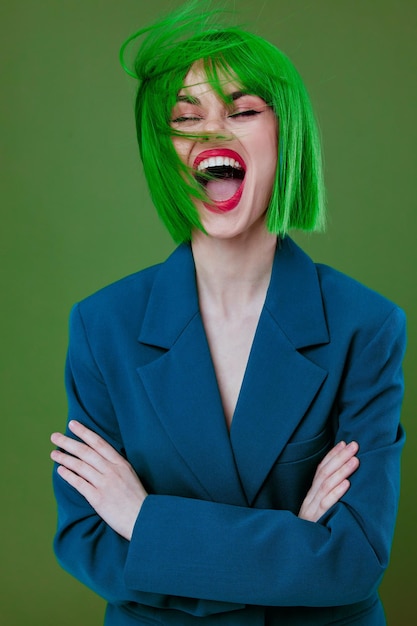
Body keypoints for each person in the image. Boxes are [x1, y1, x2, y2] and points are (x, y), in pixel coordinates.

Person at [50, 2, 406, 624]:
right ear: (163, 153)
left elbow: (356, 558)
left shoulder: (366, 327)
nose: (214, 132)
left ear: (285, 133)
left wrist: (144, 521)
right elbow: (88, 544)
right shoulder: (101, 326)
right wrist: (291, 543)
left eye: (242, 111)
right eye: (185, 119)